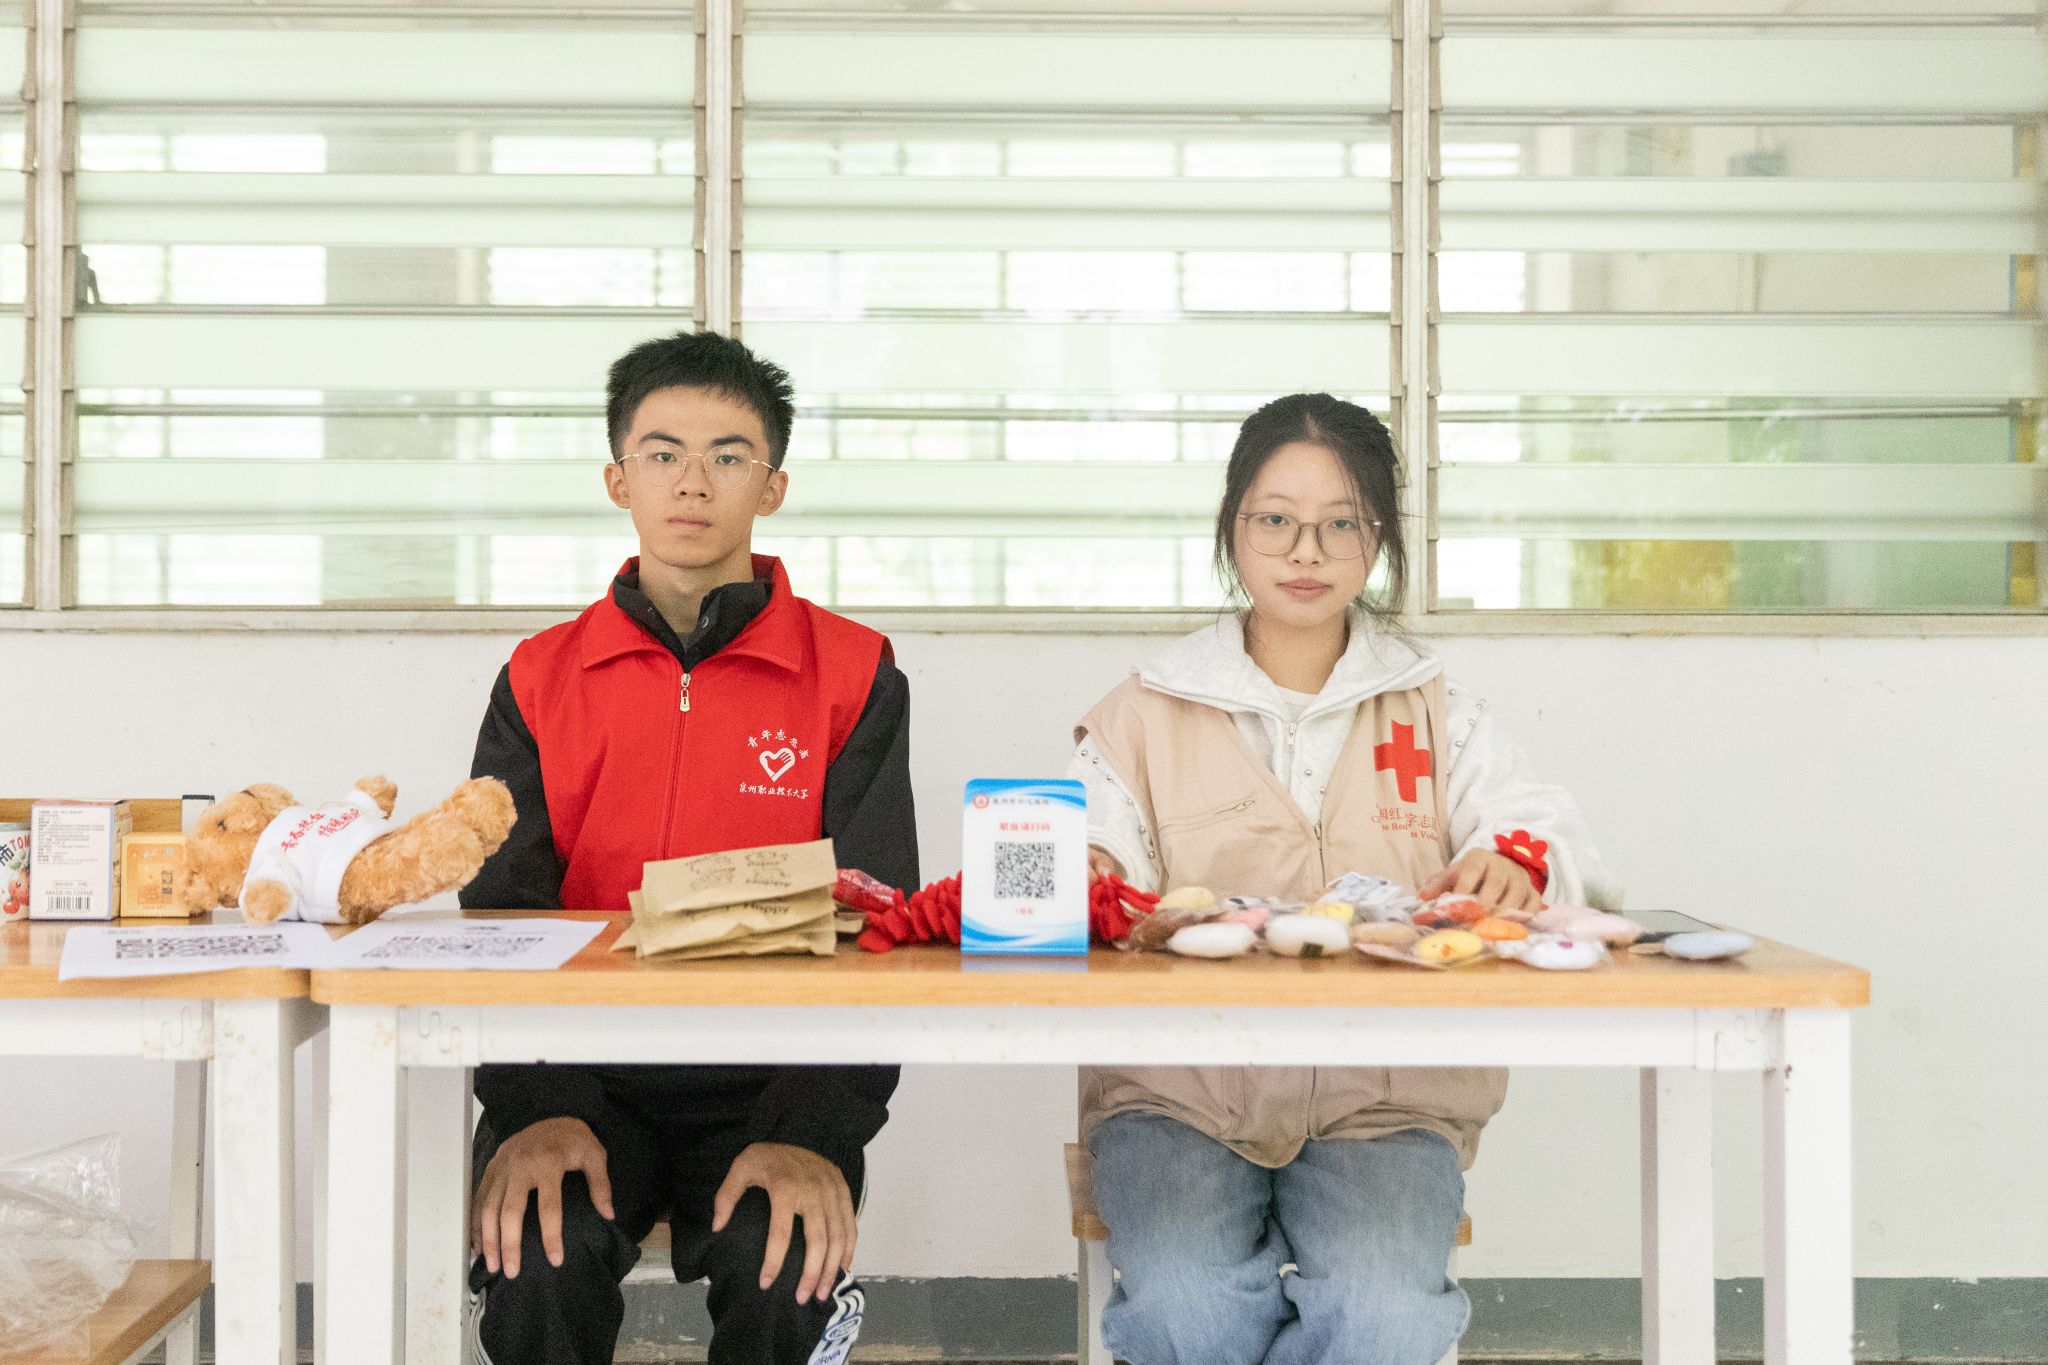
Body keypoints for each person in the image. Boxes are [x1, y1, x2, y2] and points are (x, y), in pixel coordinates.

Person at [1071, 392, 1618, 1365]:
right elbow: (1088, 854)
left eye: (1341, 524)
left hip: (1388, 1095)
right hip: (1178, 1092)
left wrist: (1513, 858)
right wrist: (1088, 872)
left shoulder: (1435, 707)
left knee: (1382, 1318)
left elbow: (1544, 832)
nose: (1305, 551)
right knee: (1186, 1313)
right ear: (1231, 526)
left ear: (1379, 539)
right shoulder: (1144, 709)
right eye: (1275, 519)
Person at [460, 330, 919, 1365]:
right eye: (662, 453)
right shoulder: (538, 676)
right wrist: (535, 1107)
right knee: (538, 1255)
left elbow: (882, 920)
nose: (692, 482)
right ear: (618, 478)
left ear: (774, 486)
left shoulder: (854, 673)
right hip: (577, 1072)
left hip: (773, 1077)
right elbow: (499, 917)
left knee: (780, 1264)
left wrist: (814, 1128)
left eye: (728, 455)